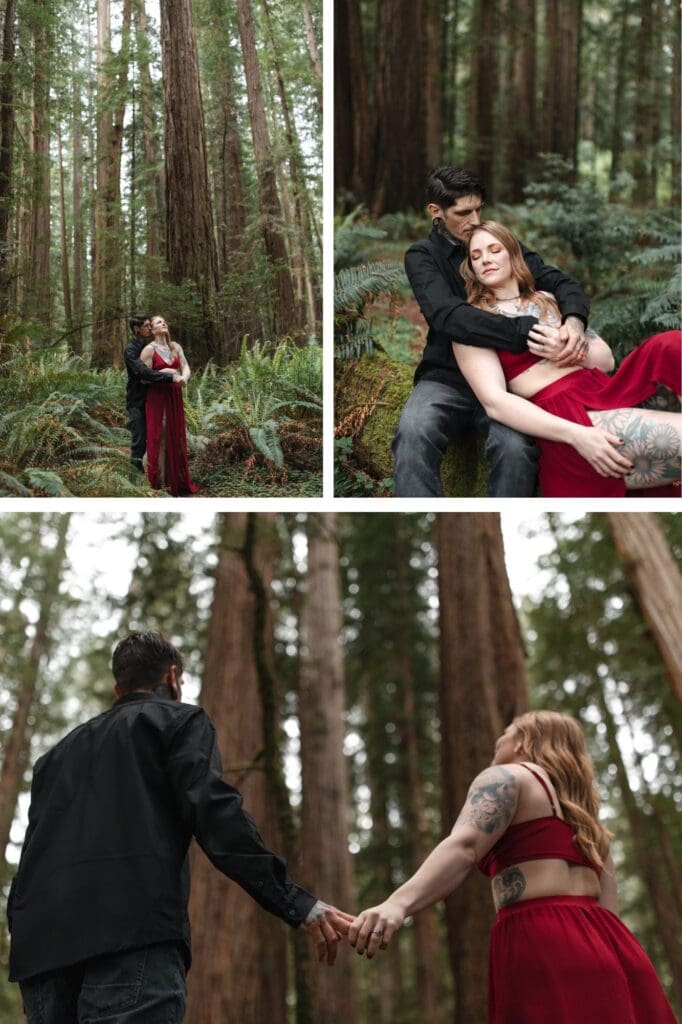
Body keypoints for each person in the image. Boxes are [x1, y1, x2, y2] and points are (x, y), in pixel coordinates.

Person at [8, 631, 353, 1023]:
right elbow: (217, 817)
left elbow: (29, 859)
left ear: (118, 688)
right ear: (172, 678)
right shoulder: (179, 720)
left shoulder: (53, 759)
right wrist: (296, 902)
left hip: (41, 957)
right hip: (133, 940)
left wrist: (22, 933)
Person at [348, 710, 676, 1024]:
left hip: (544, 942)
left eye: (506, 732)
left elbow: (464, 846)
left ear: (523, 740)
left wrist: (398, 904)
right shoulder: (591, 826)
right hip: (614, 951)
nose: (499, 739)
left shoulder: (507, 777)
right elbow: (609, 911)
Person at [395, 166, 592, 497]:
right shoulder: (423, 256)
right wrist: (524, 329)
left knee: (515, 449)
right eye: (463, 213)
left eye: (479, 209)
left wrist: (574, 321)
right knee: (413, 432)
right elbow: (448, 317)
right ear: (435, 211)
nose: (474, 220)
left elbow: (559, 281)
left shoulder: (499, 244)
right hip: (447, 378)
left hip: (509, 380)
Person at [454, 221, 681, 496]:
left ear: (513, 254)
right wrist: (576, 435)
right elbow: (496, 403)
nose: (485, 260)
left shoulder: (550, 300)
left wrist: (569, 349)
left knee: (671, 344)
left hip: (604, 390)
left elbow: (607, 361)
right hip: (566, 417)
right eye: (476, 256)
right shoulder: (471, 322)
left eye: (494, 250)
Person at [139, 316, 200, 496]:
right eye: (159, 322)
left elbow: (185, 367)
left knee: (175, 434)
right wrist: (166, 373)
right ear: (152, 329)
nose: (164, 323)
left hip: (174, 395)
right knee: (160, 436)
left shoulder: (175, 347)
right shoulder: (148, 350)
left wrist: (184, 378)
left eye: (164, 321)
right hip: (157, 397)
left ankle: (175, 481)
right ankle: (158, 483)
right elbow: (143, 378)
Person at [123, 315, 180, 474]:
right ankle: (134, 477)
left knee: (157, 438)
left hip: (153, 400)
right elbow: (143, 373)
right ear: (137, 329)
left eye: (150, 325)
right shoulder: (131, 350)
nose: (150, 328)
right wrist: (169, 375)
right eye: (147, 326)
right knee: (140, 441)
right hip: (137, 401)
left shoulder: (148, 346)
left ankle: (159, 474)